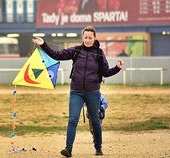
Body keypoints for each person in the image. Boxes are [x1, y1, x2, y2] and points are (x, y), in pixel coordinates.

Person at [32, 26, 124, 157]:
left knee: (95, 120)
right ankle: (68, 149)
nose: (87, 40)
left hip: (93, 92)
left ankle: (98, 148)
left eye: (90, 38)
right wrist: (43, 44)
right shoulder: (76, 50)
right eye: (85, 37)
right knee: (73, 119)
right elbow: (56, 55)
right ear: (83, 37)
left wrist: (117, 68)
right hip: (76, 91)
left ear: (94, 38)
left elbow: (105, 72)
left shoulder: (99, 53)